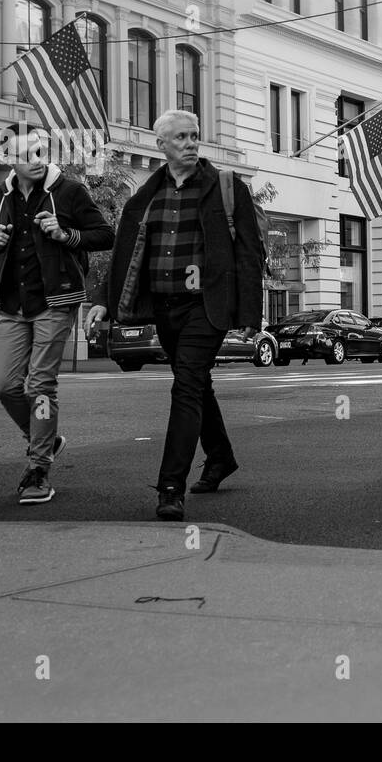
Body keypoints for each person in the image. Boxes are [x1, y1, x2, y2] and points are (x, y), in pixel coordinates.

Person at [86, 110, 264, 521]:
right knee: (197, 384)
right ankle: (220, 458)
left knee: (185, 386)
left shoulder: (225, 187)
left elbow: (250, 252)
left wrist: (251, 312)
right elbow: (126, 254)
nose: (190, 142)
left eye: (195, 135)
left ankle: (170, 487)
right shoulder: (147, 195)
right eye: (181, 136)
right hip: (165, 308)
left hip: (207, 307)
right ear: (160, 144)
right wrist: (104, 298)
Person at [0, 127, 114, 504]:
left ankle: (38, 467)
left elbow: (105, 235)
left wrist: (66, 234)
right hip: (10, 305)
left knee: (39, 385)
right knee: (4, 386)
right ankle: (47, 437)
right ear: (9, 159)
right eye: (27, 155)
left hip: (56, 302)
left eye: (40, 152)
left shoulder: (69, 191)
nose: (37, 161)